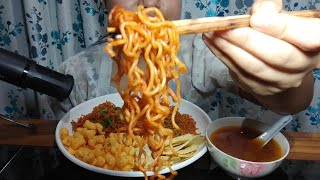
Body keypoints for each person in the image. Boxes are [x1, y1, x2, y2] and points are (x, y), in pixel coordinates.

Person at [50, 0, 320, 179]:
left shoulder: (198, 52)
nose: (149, 2)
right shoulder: (76, 72)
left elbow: (294, 102)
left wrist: (290, 78)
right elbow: (69, 146)